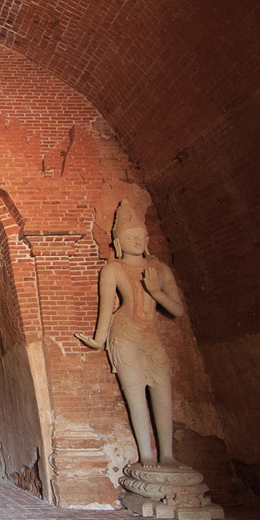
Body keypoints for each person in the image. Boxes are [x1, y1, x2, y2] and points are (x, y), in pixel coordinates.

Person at [75, 200, 185, 468]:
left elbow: (178, 310)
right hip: (124, 334)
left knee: (162, 390)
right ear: (118, 242)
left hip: (151, 336)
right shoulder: (112, 269)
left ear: (147, 239)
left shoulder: (160, 269)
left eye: (141, 236)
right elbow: (106, 308)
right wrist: (99, 339)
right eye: (131, 237)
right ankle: (146, 453)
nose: (137, 240)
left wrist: (156, 292)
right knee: (135, 394)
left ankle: (167, 454)